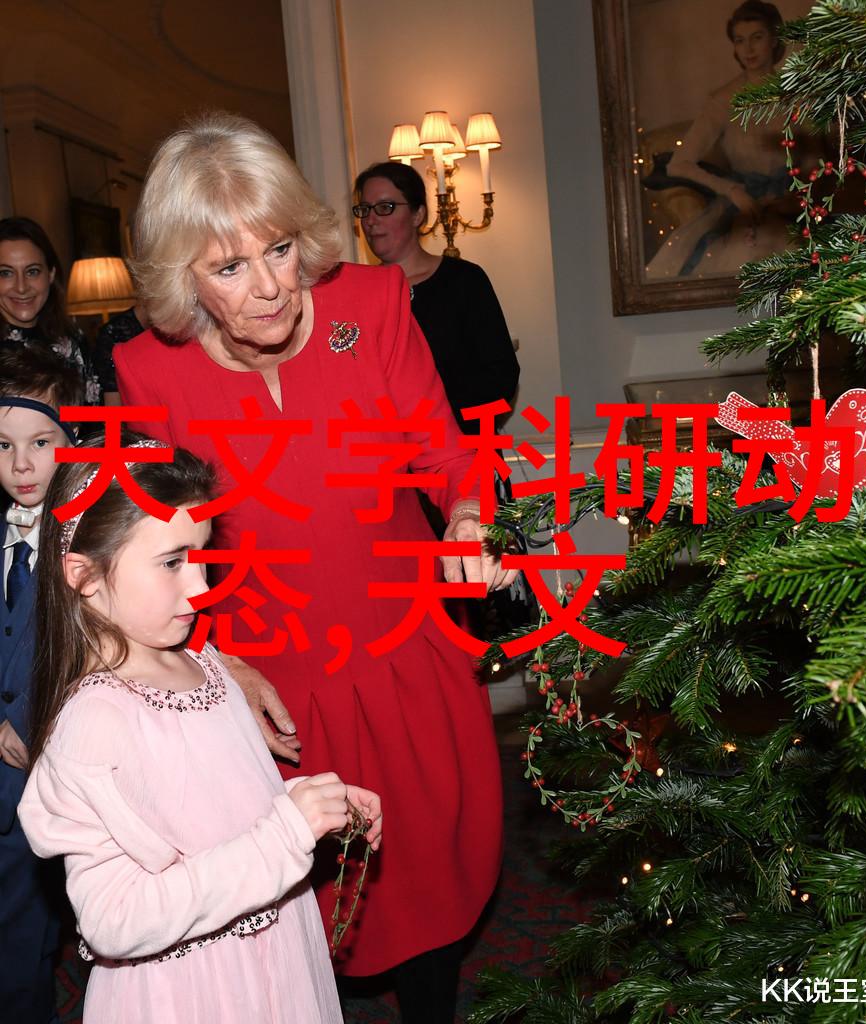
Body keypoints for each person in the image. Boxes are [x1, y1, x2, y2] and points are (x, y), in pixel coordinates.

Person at [113, 111, 516, 1023]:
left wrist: (465, 515)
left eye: (281, 249)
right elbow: (162, 550)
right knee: (292, 912)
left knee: (426, 884)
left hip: (403, 652)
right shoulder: (150, 371)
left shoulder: (370, 307)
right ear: (183, 278)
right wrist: (217, 664)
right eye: (228, 268)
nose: (269, 288)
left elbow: (446, 454)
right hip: (271, 685)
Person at [18, 433, 382, 1024]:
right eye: (171, 562)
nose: (201, 586)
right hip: (195, 990)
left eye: (202, 554)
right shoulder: (95, 722)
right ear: (83, 576)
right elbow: (113, 920)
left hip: (273, 951)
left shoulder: (204, 663)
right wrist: (283, 835)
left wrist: (308, 804)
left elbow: (215, 814)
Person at [0, 346, 82, 1024]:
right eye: (3, 446)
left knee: (24, 939)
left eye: (40, 442)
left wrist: (31, 716)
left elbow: (90, 646)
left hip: (44, 770)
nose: (21, 465)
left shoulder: (82, 541)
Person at [353, 160, 519, 434]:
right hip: (391, 453)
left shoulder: (464, 280)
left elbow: (501, 376)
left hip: (464, 445)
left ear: (418, 215)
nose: (370, 220)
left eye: (385, 207)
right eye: (364, 209)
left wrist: (436, 421)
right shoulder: (356, 293)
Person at [645, 1, 799, 279]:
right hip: (746, 207)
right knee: (748, 257)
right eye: (740, 40)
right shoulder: (723, 100)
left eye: (757, 37)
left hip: (793, 204)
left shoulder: (795, 95)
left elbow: (819, 157)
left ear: (775, 39)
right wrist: (732, 191)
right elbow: (679, 164)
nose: (748, 49)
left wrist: (794, 196)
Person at [0, 218, 101, 403]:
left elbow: (92, 416)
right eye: (5, 273)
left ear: (51, 274)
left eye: (32, 271)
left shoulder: (72, 340)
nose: (21, 287)